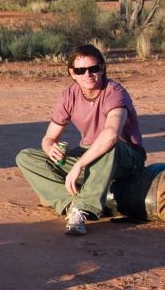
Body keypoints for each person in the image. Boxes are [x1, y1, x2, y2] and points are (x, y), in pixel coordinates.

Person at [16, 44, 146, 235]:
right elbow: (49, 137)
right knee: (25, 157)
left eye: (93, 68)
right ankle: (70, 204)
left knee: (109, 145)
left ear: (101, 68)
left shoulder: (115, 91)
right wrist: (50, 148)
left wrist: (78, 166)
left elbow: (111, 135)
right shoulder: (69, 95)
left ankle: (82, 208)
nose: (88, 74)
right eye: (80, 70)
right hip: (89, 154)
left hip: (125, 158)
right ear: (72, 73)